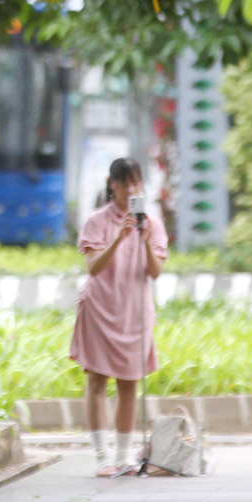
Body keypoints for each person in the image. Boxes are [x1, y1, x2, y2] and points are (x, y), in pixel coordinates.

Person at [70, 157, 167, 476]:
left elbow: (155, 271)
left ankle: (124, 455)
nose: (130, 190)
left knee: (129, 383)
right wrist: (119, 238)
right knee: (96, 380)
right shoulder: (97, 220)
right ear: (112, 185)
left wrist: (143, 239)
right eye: (124, 183)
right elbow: (93, 267)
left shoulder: (152, 222)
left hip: (134, 311)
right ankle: (102, 456)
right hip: (100, 308)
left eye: (135, 183)